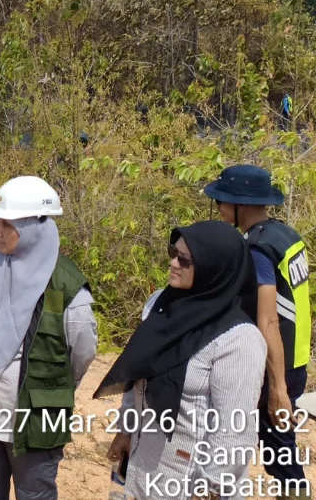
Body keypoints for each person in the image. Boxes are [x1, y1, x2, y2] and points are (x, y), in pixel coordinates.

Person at [99, 221, 268, 500]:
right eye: (172, 253)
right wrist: (126, 430)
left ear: (214, 269)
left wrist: (209, 490)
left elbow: (235, 431)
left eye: (185, 260)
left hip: (191, 480)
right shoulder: (159, 305)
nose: (174, 264)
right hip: (144, 468)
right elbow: (139, 373)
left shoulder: (238, 339)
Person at [0, 176, 97, 500]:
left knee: (35, 493)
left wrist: (51, 385)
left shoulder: (66, 285)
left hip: (35, 416)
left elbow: (82, 352)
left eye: (8, 224)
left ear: (36, 226)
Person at [205, 164, 311, 492]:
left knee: (280, 457)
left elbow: (268, 320)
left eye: (224, 201)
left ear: (243, 204)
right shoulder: (285, 234)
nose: (219, 207)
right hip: (295, 358)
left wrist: (277, 388)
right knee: (279, 449)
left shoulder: (257, 249)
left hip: (275, 367)